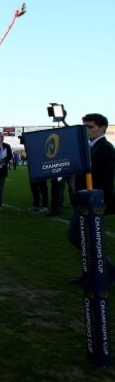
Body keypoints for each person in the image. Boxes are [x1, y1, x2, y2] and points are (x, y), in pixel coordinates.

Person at [68, 113, 115, 281]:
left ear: (102, 129)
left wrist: (103, 203)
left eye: (90, 127)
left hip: (94, 201)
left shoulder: (105, 149)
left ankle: (105, 271)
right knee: (84, 237)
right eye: (84, 126)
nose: (86, 130)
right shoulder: (89, 146)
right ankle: (94, 273)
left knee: (81, 236)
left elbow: (107, 181)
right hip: (85, 199)